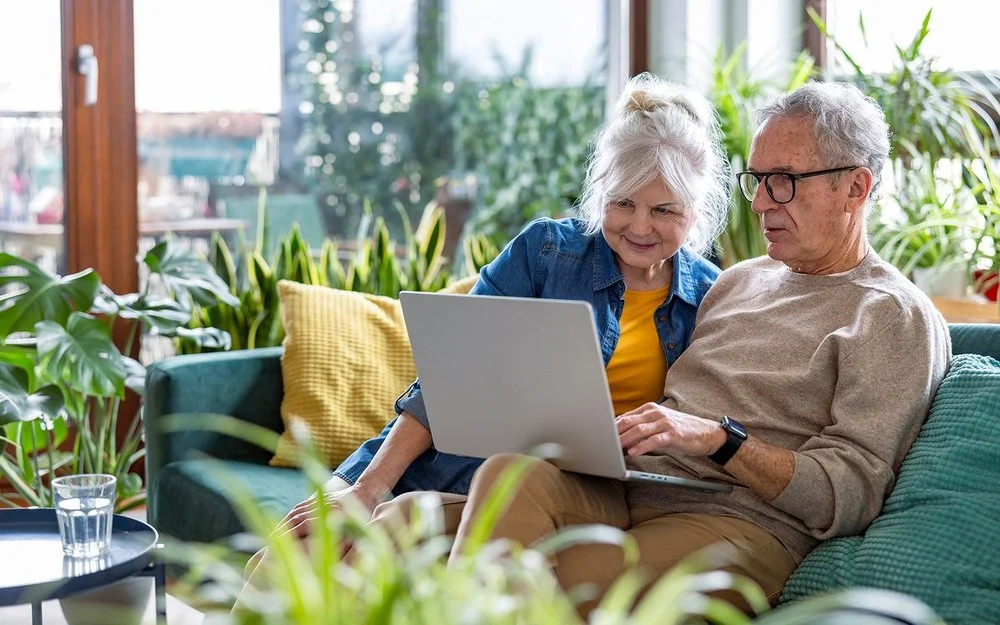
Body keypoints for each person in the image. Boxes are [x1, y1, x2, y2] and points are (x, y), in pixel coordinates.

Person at [383, 81, 952, 613]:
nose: (759, 204)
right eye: (756, 180)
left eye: (784, 180)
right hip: (636, 490)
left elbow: (850, 495)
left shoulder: (892, 316)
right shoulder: (737, 282)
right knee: (421, 510)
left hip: (741, 522)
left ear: (856, 187)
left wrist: (721, 441)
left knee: (542, 576)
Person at [267, 73, 732, 545]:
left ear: (696, 211)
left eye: (664, 210)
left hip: (556, 492)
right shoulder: (546, 251)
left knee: (359, 554)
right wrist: (368, 487)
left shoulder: (712, 299)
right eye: (622, 202)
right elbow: (449, 378)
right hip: (447, 458)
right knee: (286, 556)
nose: (639, 225)